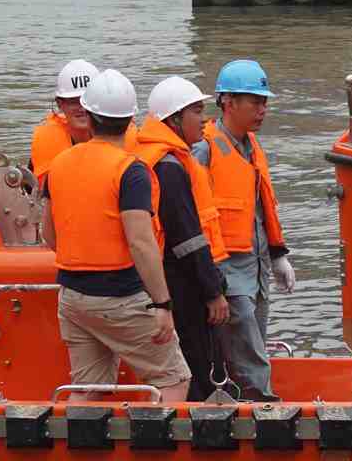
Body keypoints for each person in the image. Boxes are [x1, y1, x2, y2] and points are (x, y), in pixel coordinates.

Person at [41, 68, 190, 403]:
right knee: (172, 379)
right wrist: (162, 303)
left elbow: (48, 233)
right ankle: (153, 439)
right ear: (130, 119)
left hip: (72, 297)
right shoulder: (130, 171)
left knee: (87, 388)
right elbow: (141, 242)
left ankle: (77, 438)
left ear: (89, 116)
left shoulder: (59, 165)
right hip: (120, 295)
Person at [194, 59, 294, 402]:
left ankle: (243, 396)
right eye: (255, 102)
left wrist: (278, 256)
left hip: (257, 262)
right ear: (228, 102)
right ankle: (262, 401)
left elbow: (260, 209)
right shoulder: (205, 148)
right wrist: (208, 275)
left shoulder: (251, 146)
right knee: (246, 337)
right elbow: (195, 214)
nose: (262, 110)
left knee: (254, 335)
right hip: (225, 265)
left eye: (264, 102)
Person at [129, 75, 231, 400]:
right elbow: (188, 239)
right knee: (196, 362)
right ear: (174, 120)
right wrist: (213, 291)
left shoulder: (154, 157)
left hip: (164, 277)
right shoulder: (169, 167)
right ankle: (198, 419)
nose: (204, 119)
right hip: (181, 284)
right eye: (196, 111)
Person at [31, 58, 97, 183]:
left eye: (88, 99)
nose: (82, 108)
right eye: (74, 101)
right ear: (60, 104)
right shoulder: (47, 142)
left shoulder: (122, 138)